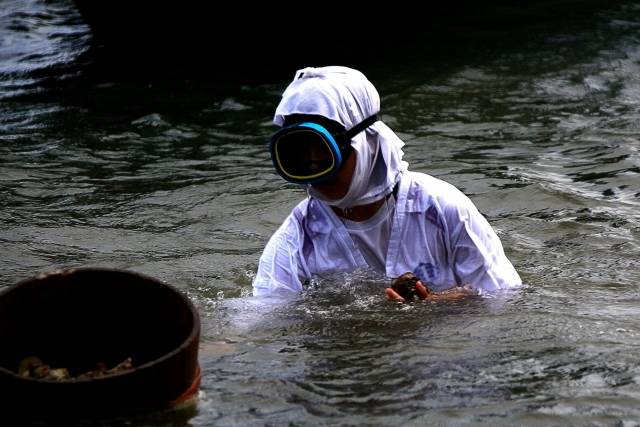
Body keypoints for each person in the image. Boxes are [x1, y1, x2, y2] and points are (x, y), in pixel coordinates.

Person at [252, 66, 521, 301]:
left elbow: (504, 297)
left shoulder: (441, 208)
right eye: (298, 158)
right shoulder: (299, 237)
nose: (316, 172)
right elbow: (262, 315)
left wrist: (437, 305)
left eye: (325, 153)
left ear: (367, 142)